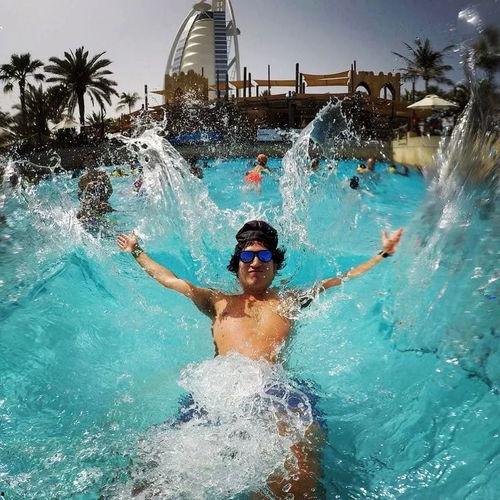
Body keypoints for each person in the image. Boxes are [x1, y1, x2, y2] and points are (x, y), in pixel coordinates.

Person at [116, 220, 403, 496]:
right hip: (216, 390)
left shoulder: (289, 300)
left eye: (264, 255)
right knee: (155, 475)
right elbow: (169, 280)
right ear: (237, 264)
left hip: (274, 391)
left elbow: (341, 280)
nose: (255, 262)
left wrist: (382, 255)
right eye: (247, 256)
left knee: (294, 469)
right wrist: (136, 251)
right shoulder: (217, 301)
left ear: (275, 265)